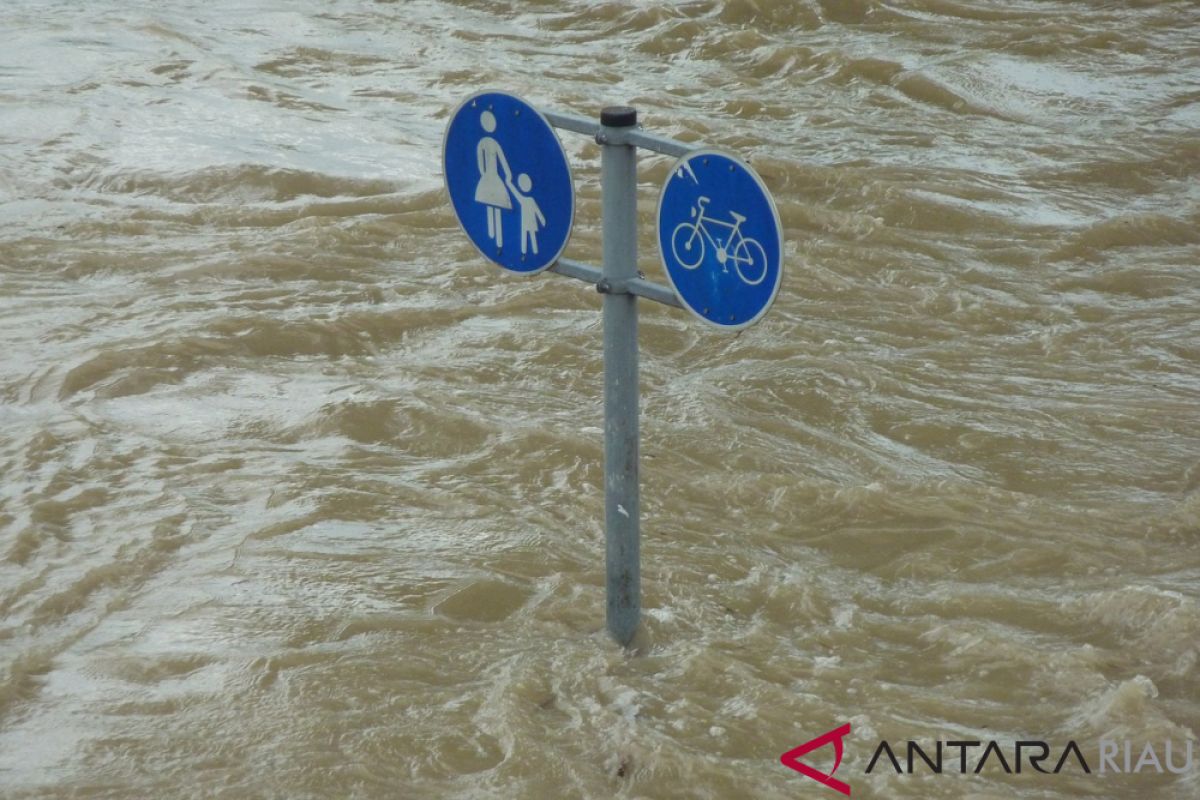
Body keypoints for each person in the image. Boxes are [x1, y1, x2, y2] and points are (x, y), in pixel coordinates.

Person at [474, 111, 513, 247]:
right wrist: (486, 175)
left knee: (495, 204)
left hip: (490, 177)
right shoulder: (484, 143)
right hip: (491, 177)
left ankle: (497, 240)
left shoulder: (487, 143)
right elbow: (481, 161)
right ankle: (494, 239)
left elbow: (501, 159)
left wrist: (506, 173)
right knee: (492, 204)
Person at [508, 173, 546, 256]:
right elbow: (515, 193)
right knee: (525, 236)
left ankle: (534, 253)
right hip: (526, 222)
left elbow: (537, 210)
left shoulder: (528, 200)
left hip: (530, 221)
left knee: (530, 236)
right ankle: (525, 253)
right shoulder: (525, 199)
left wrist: (542, 219)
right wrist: (509, 183)